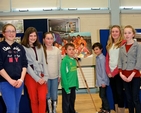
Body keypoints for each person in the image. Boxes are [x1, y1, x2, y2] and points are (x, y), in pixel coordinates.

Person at [0, 23, 27, 113]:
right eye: (8, 31)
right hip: (5, 82)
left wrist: (21, 80)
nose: (11, 33)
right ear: (3, 33)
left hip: (18, 82)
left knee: (16, 108)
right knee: (11, 109)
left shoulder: (20, 47)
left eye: (13, 31)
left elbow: (24, 64)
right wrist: (10, 80)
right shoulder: (0, 47)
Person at [21, 27, 49, 113]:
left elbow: (44, 61)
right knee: (33, 100)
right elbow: (26, 65)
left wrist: (45, 77)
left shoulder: (40, 46)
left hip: (42, 75)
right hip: (30, 77)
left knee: (42, 98)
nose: (33, 38)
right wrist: (37, 78)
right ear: (27, 36)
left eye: (35, 35)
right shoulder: (23, 48)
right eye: (31, 36)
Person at [118, 25, 141, 113]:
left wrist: (132, 74)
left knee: (135, 98)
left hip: (134, 76)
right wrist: (121, 73)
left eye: (129, 33)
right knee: (129, 98)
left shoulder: (138, 46)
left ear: (133, 34)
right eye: (125, 33)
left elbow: (139, 61)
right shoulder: (122, 47)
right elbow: (120, 61)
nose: (127, 35)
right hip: (124, 75)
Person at [105, 25, 125, 113]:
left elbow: (122, 60)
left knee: (120, 93)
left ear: (120, 32)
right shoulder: (110, 44)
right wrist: (108, 71)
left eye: (116, 31)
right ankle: (117, 110)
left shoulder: (123, 43)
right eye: (113, 31)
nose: (114, 33)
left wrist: (114, 72)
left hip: (119, 72)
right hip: (111, 73)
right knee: (115, 93)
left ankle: (121, 111)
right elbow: (107, 59)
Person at [43, 32, 62, 113]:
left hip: (55, 77)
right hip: (46, 77)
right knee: (47, 94)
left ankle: (54, 110)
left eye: (51, 38)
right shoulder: (41, 50)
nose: (50, 40)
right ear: (44, 40)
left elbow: (59, 63)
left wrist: (59, 75)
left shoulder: (57, 50)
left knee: (54, 94)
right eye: (48, 38)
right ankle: (49, 110)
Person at [61, 43, 79, 113]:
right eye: (69, 49)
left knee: (72, 100)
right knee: (66, 102)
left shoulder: (74, 60)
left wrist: (77, 83)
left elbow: (75, 73)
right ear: (65, 51)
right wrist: (66, 86)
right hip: (67, 85)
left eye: (73, 49)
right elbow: (63, 74)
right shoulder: (65, 60)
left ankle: (72, 111)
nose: (71, 51)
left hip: (73, 84)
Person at [92, 42, 110, 113]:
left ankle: (107, 109)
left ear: (101, 49)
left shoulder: (102, 58)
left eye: (97, 49)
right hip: (100, 80)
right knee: (102, 95)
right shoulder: (97, 58)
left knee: (102, 95)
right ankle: (103, 108)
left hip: (103, 81)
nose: (95, 51)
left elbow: (103, 71)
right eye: (94, 50)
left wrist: (103, 81)